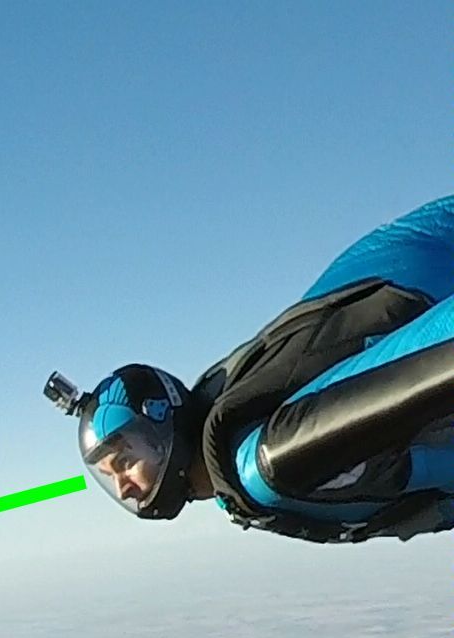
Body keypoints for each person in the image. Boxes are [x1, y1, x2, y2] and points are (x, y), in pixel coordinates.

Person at [47, 192, 454, 544]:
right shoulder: (232, 422)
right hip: (390, 267)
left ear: (159, 422)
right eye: (109, 477)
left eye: (124, 462)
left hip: (410, 280)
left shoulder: (271, 462)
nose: (123, 488)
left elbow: (424, 370)